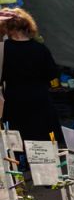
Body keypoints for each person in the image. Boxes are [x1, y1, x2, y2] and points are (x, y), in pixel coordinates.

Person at [0, 8, 63, 143]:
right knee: (43, 144)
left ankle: (22, 164)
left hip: (15, 103)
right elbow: (52, 75)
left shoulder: (4, 49)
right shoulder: (40, 49)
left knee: (18, 144)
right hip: (40, 101)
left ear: (7, 28)